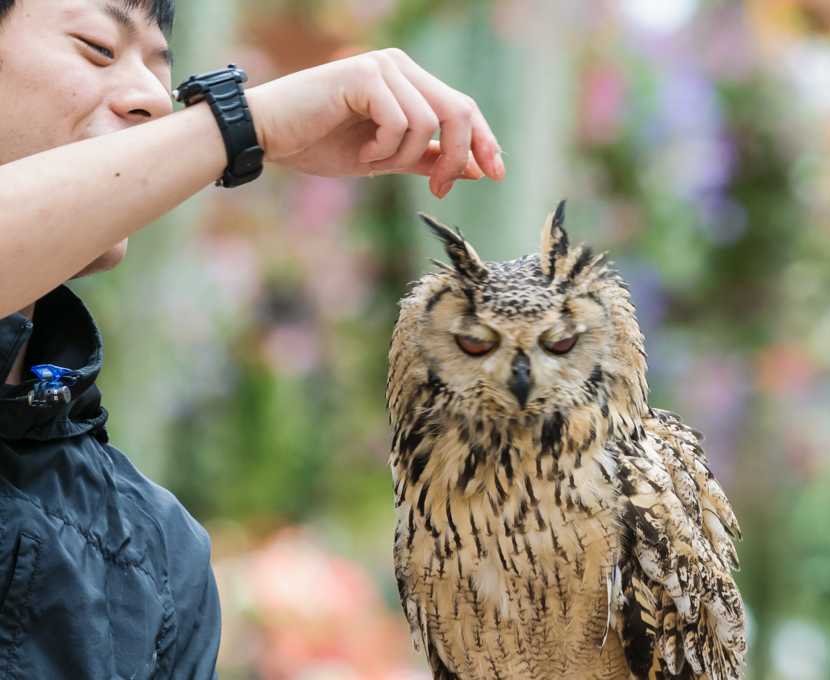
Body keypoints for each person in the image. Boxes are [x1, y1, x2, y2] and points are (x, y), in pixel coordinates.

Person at [0, 0, 504, 676]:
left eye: (161, 67)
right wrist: (245, 124)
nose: (153, 97)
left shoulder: (158, 553)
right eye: (96, 47)